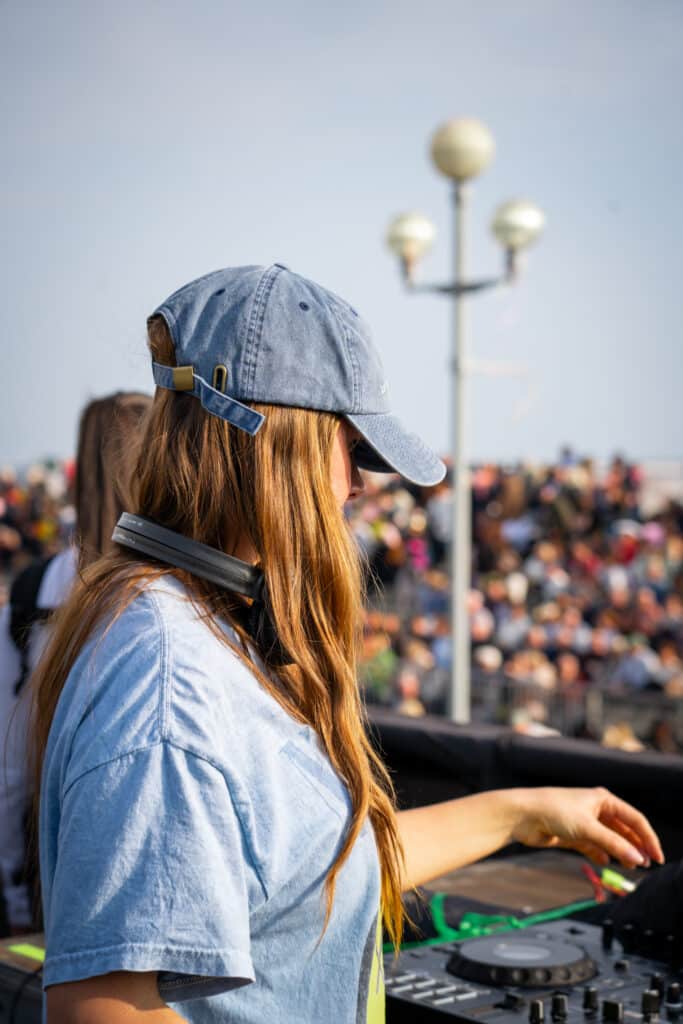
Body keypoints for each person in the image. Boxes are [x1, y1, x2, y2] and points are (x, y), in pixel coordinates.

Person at [31, 265, 664, 1024]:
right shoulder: (172, 675)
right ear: (275, 447)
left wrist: (521, 811)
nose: (359, 487)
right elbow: (106, 1009)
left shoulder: (198, 626)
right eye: (353, 449)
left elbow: (304, 873)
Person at [0, 392, 150, 934]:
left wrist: (17, 899)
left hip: (54, 863)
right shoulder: (182, 593)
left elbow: (12, 768)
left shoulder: (37, 589)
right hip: (143, 872)